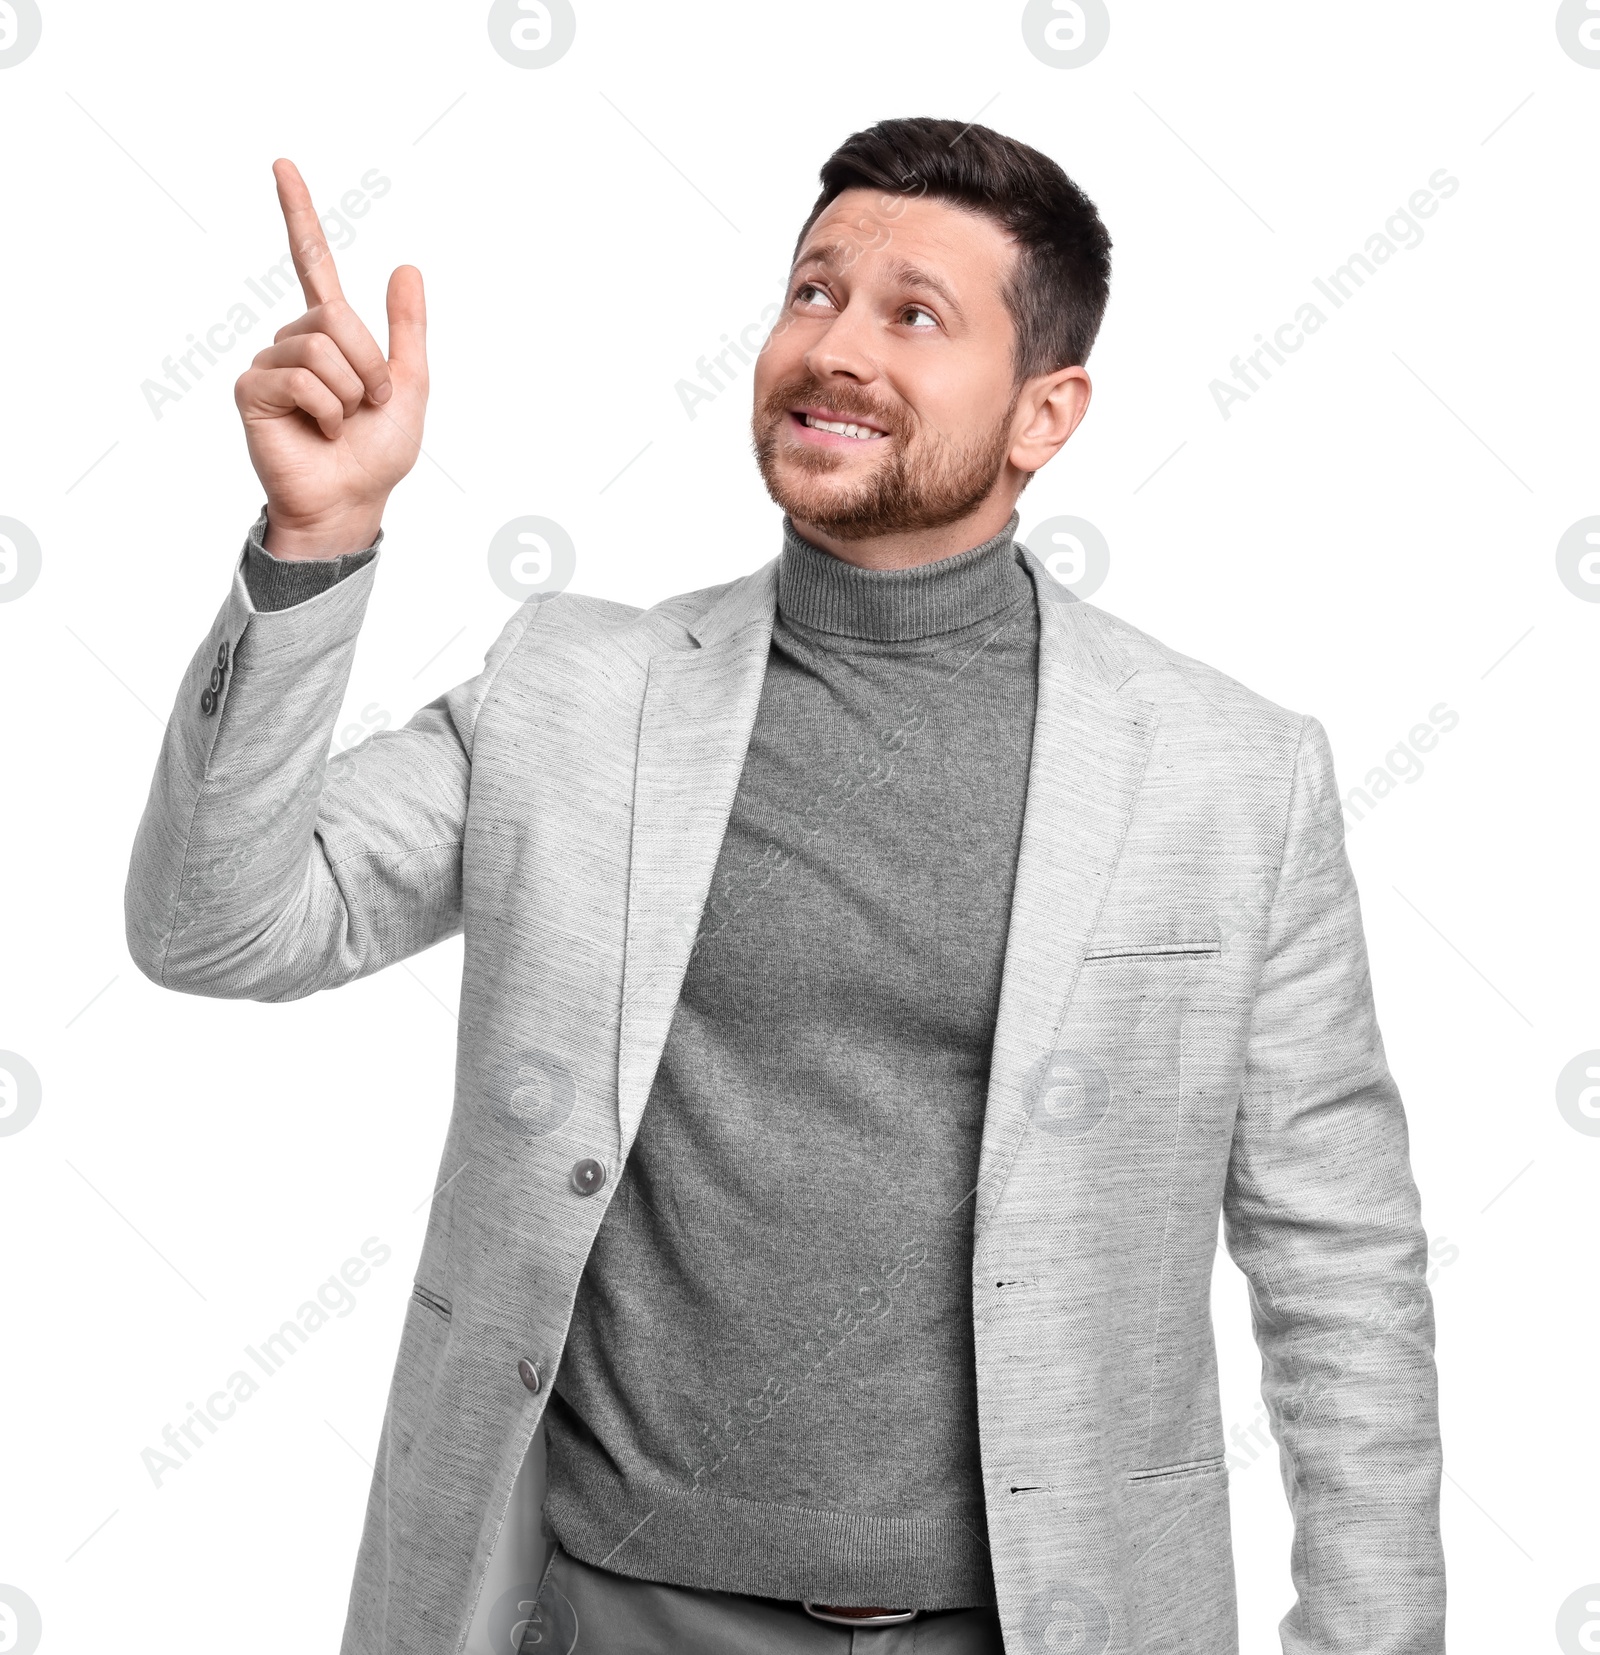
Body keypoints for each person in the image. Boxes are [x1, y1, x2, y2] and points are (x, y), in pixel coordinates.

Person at [125, 118, 1444, 1655]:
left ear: (1046, 414)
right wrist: (317, 540)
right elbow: (216, 927)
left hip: (1046, 1620)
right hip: (611, 1610)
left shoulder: (1228, 772)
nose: (837, 347)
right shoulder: (576, 694)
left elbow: (1338, 1262)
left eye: (915, 314)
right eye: (813, 292)